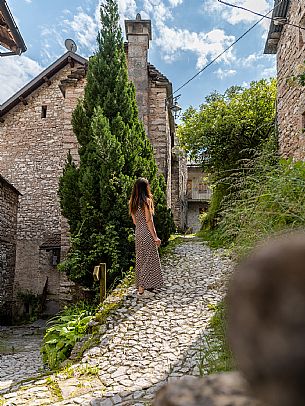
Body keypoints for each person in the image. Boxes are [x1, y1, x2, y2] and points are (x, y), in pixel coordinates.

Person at [129, 177, 164, 298]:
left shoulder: (132, 202)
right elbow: (149, 221)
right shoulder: (146, 201)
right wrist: (155, 237)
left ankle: (142, 286)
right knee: (148, 260)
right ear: (145, 187)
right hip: (146, 233)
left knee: (141, 260)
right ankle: (141, 290)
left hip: (138, 232)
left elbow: (134, 221)